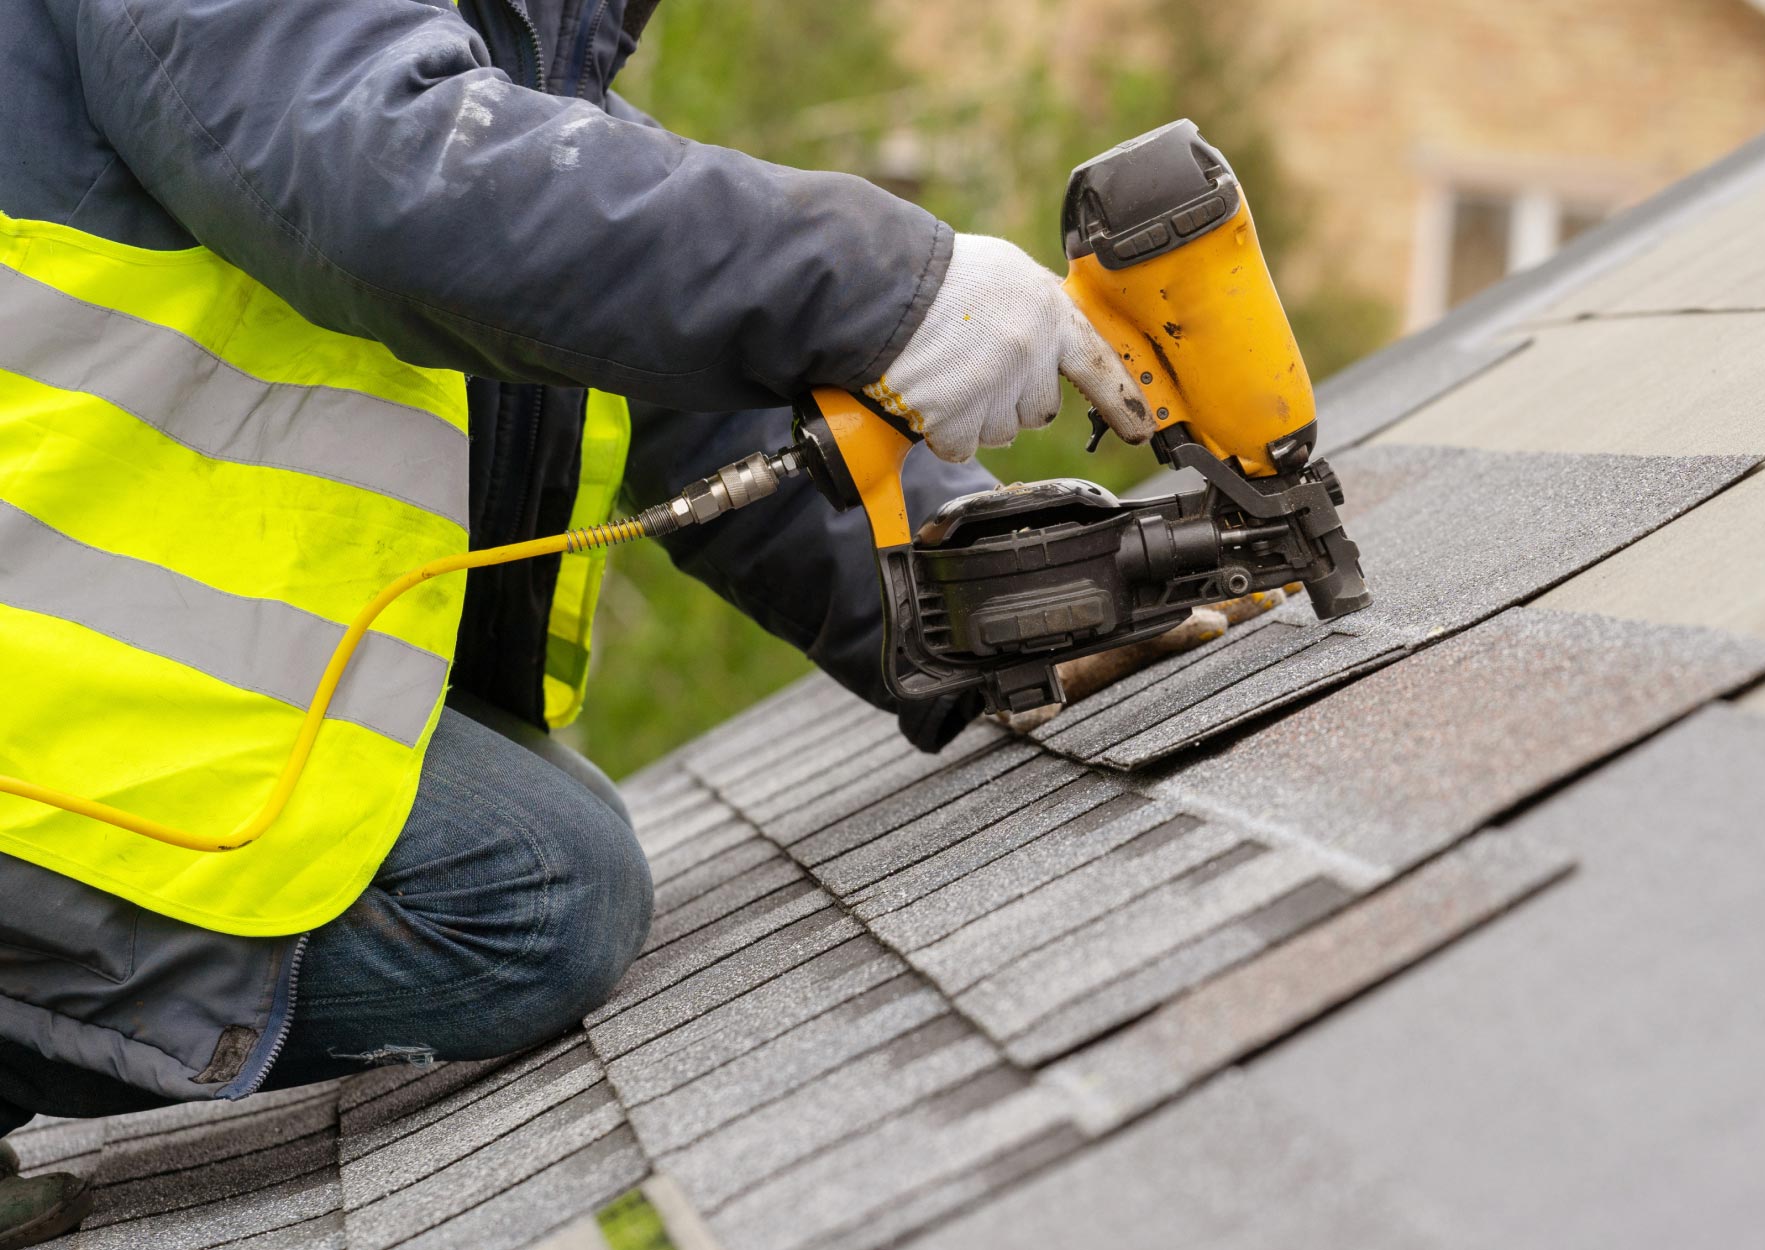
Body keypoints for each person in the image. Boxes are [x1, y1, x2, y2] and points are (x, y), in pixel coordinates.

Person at [0, 0, 1170, 1243]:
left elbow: (678, 383)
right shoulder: (367, 81)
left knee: (548, 840)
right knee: (529, 892)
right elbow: (395, 179)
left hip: (78, 698)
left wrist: (1004, 596)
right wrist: (889, 284)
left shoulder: (499, 58)